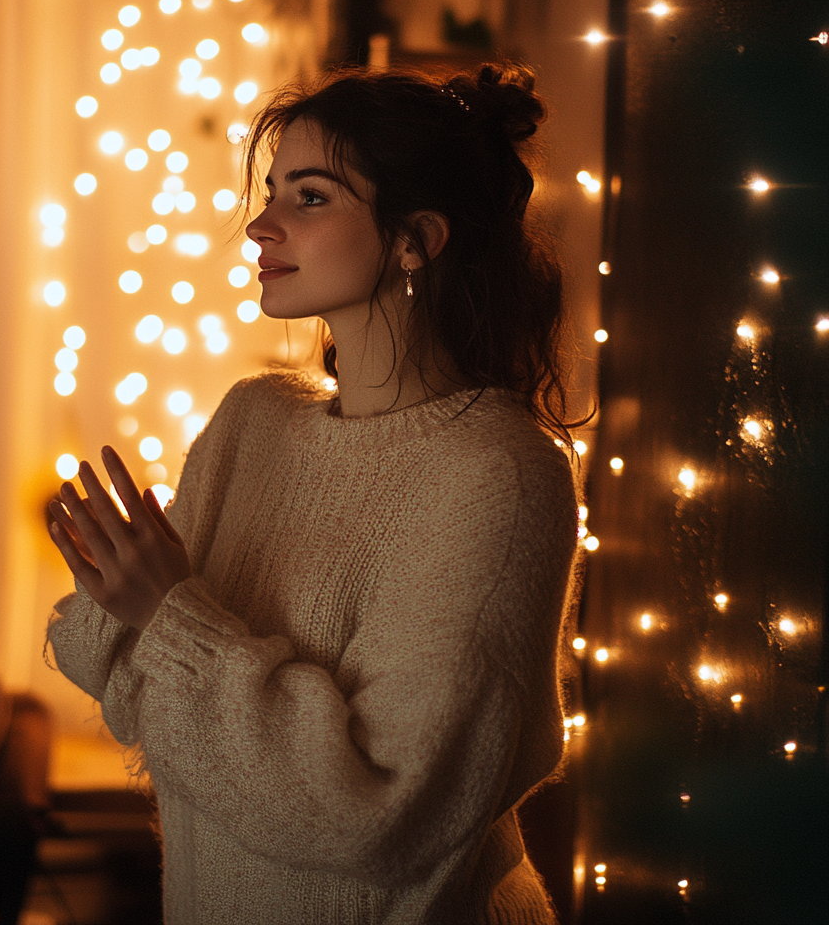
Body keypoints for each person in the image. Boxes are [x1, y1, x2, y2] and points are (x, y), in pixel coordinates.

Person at [46, 62, 581, 924]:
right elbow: (101, 669)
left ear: (417, 239)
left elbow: (381, 813)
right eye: (270, 192)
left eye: (311, 197)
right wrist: (124, 589)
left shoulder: (499, 475)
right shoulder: (252, 422)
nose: (261, 225)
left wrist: (168, 615)